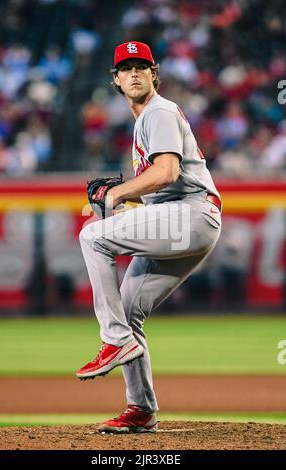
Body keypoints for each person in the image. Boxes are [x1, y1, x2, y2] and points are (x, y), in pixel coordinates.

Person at [77, 41, 222, 434]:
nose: (135, 73)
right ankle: (140, 408)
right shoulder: (146, 120)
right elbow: (159, 189)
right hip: (185, 217)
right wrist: (123, 203)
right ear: (117, 80)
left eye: (142, 66)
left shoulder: (158, 110)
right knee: (128, 310)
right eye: (127, 68)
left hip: (192, 214)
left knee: (92, 238)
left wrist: (116, 194)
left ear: (154, 73)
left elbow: (168, 173)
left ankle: (114, 341)